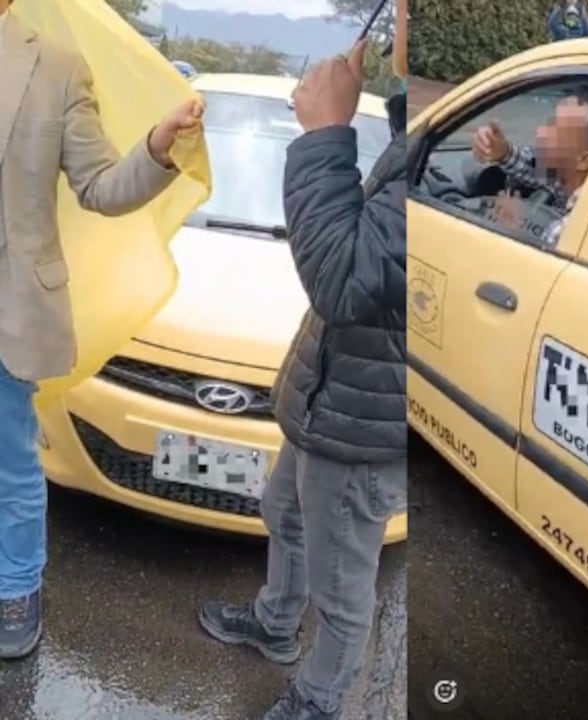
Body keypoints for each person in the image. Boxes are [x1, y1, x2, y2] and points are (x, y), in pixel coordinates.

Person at [196, 29, 408, 720]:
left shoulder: (431, 161)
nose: (395, 21)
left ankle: (320, 700)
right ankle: (275, 623)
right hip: (331, 398)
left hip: (366, 422)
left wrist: (324, 134)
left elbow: (343, 280)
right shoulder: (429, 135)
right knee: (283, 511)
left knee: (344, 588)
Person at [0, 2, 202, 659]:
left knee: (10, 461)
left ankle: (15, 589)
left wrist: (156, 147)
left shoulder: (54, 67)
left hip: (10, 308)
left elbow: (101, 186)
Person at [470, 86, 588, 247]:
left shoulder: (566, 231)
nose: (541, 133)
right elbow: (536, 172)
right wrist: (502, 151)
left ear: (583, 160)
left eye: (556, 133)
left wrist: (511, 227)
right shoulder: (575, 181)